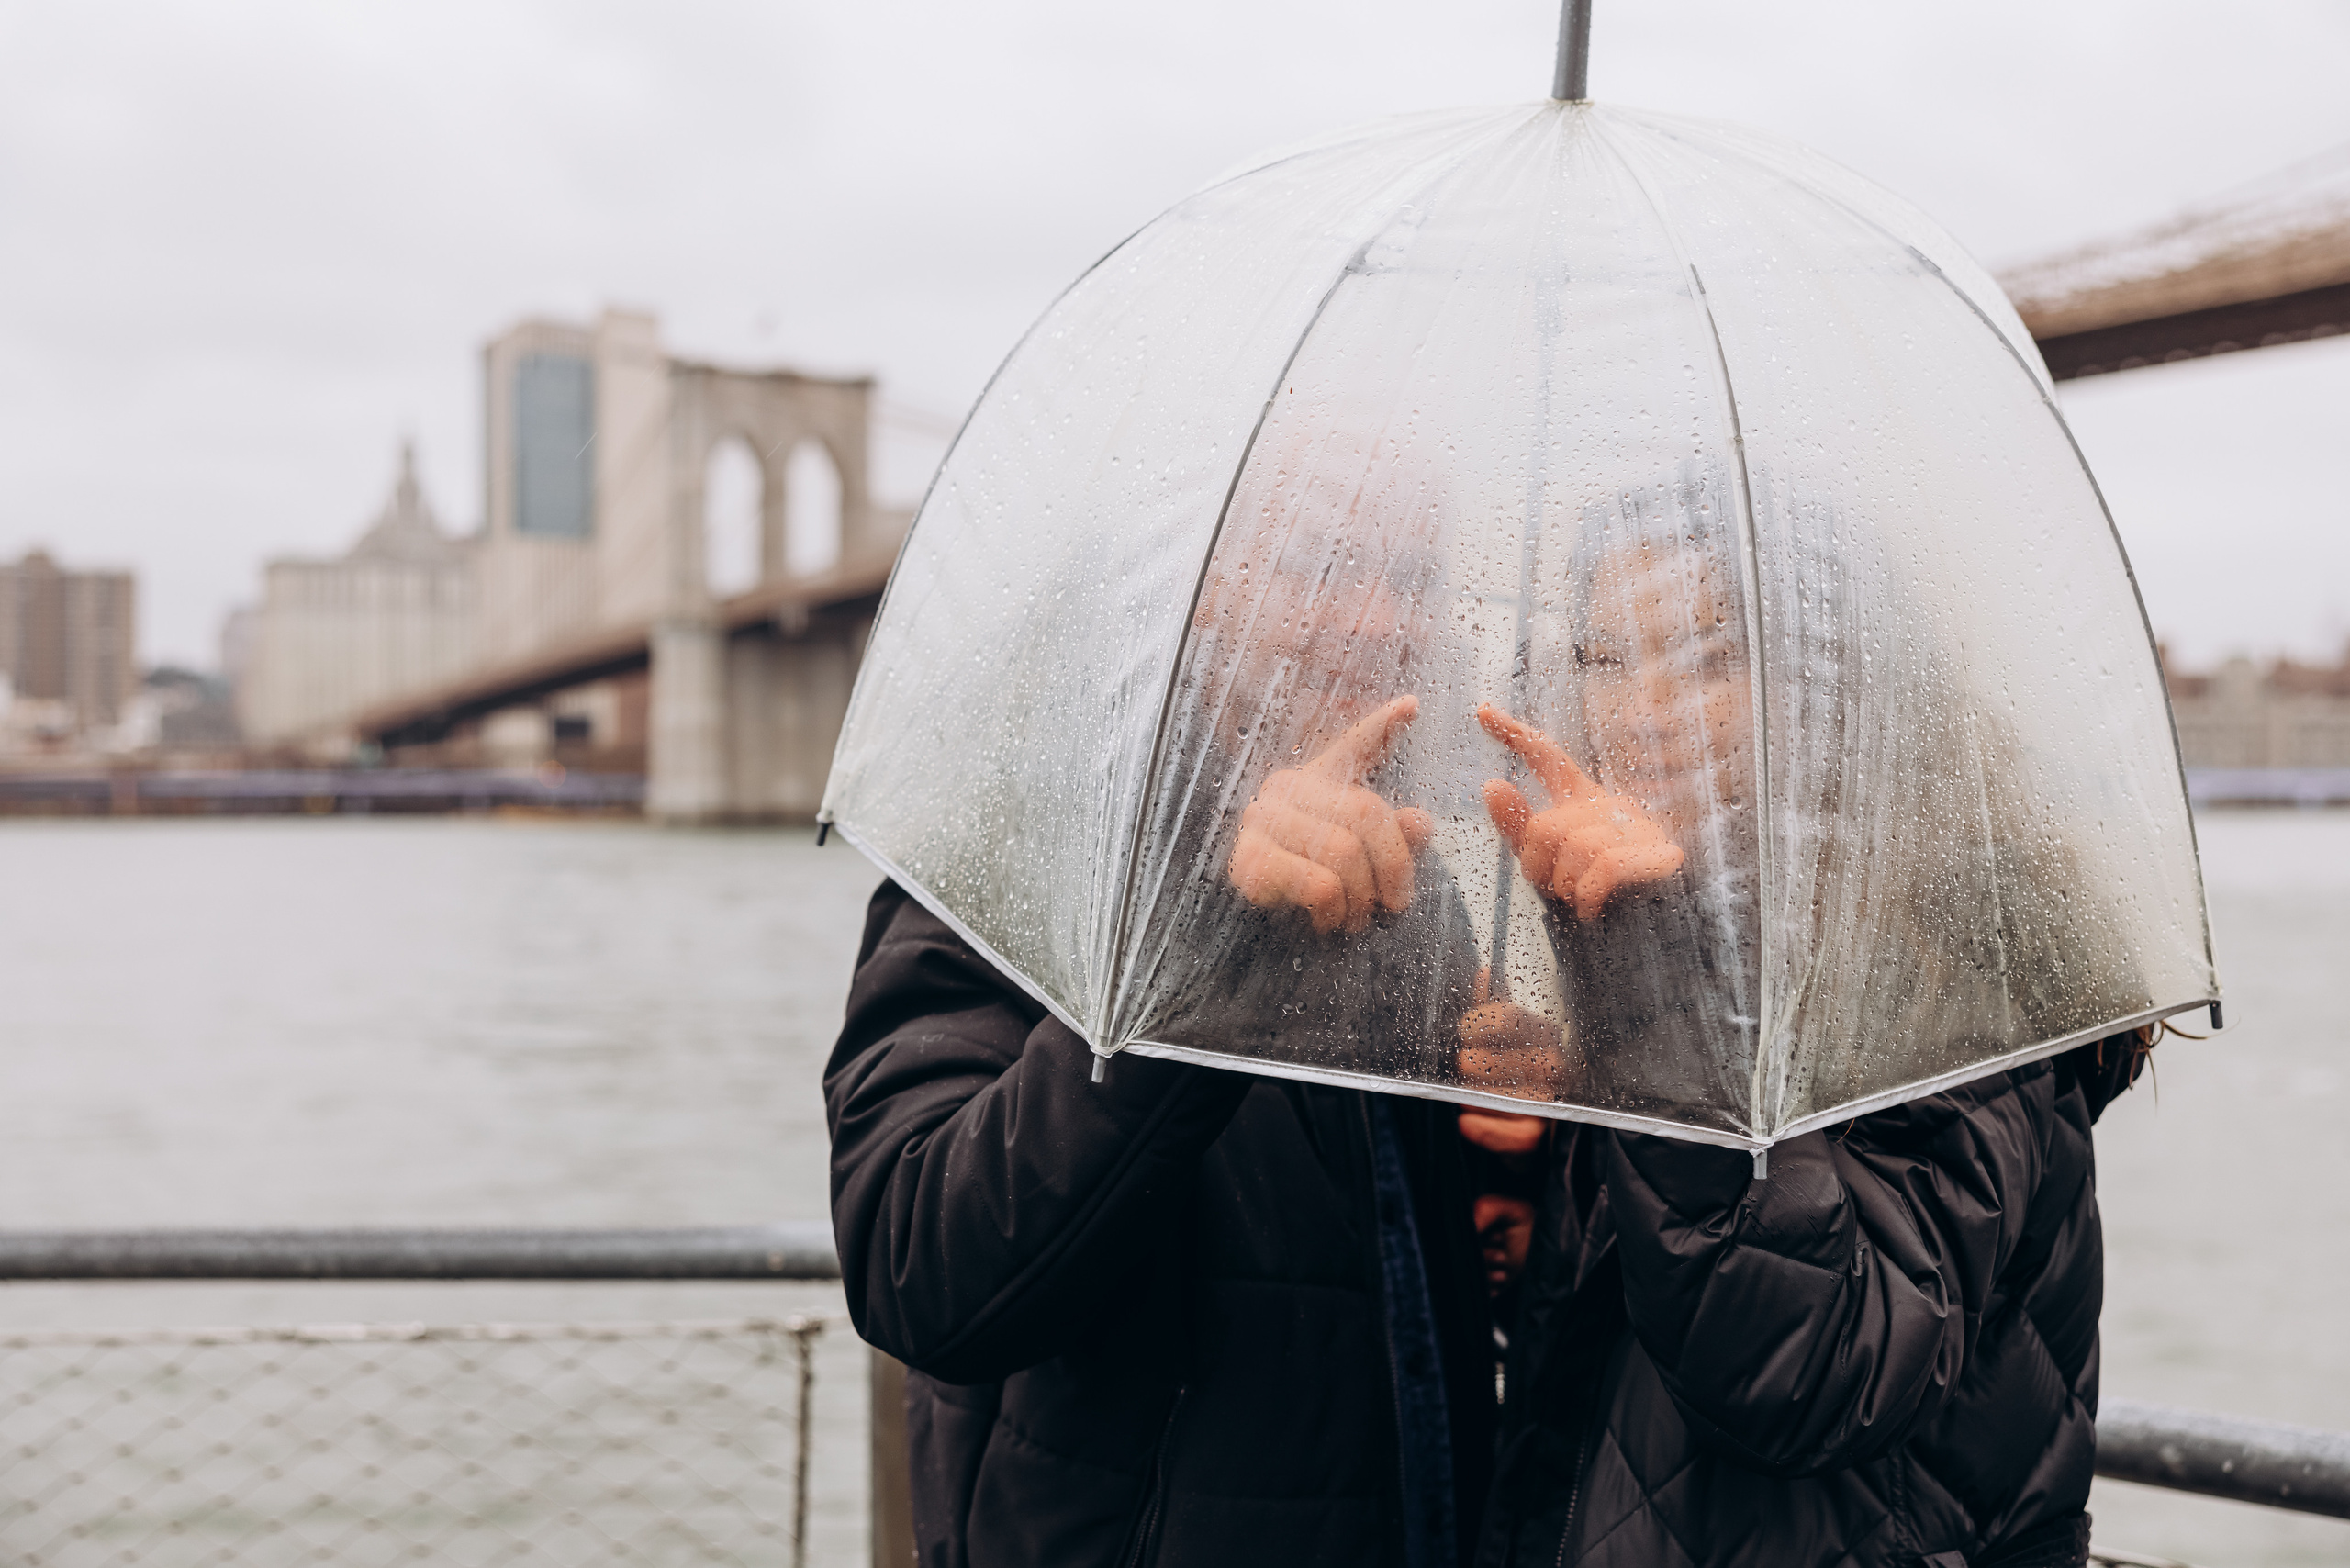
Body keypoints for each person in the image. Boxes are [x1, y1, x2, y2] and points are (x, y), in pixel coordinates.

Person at [826, 454, 2139, 1568]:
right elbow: (919, 1273)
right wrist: (1209, 932)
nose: (1362, 619)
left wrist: (1529, 1173)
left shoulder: (1424, 894)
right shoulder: (1018, 847)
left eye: (1401, 577)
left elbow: (1742, 1351)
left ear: (1839, 680)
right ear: (1196, 581)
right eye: (1315, 562)